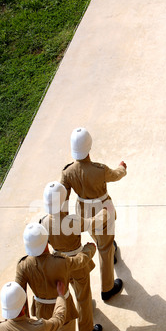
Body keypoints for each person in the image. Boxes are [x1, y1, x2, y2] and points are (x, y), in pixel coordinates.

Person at [15, 222, 96, 331]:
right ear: (46, 243)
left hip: (41, 310)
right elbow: (79, 261)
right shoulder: (59, 261)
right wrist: (90, 249)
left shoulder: (23, 265)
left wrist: (26, 320)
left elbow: (20, 294)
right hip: (62, 308)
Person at [61, 127, 127, 301]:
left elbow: (63, 197)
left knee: (98, 237)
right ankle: (108, 288)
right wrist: (122, 168)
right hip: (103, 211)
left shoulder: (67, 172)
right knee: (104, 248)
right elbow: (115, 175)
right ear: (89, 147)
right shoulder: (99, 169)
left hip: (83, 212)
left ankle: (110, 248)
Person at [40, 180, 105, 331]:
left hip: (58, 263)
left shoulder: (42, 222)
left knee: (67, 289)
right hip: (77, 261)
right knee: (83, 295)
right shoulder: (72, 220)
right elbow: (93, 223)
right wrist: (104, 213)